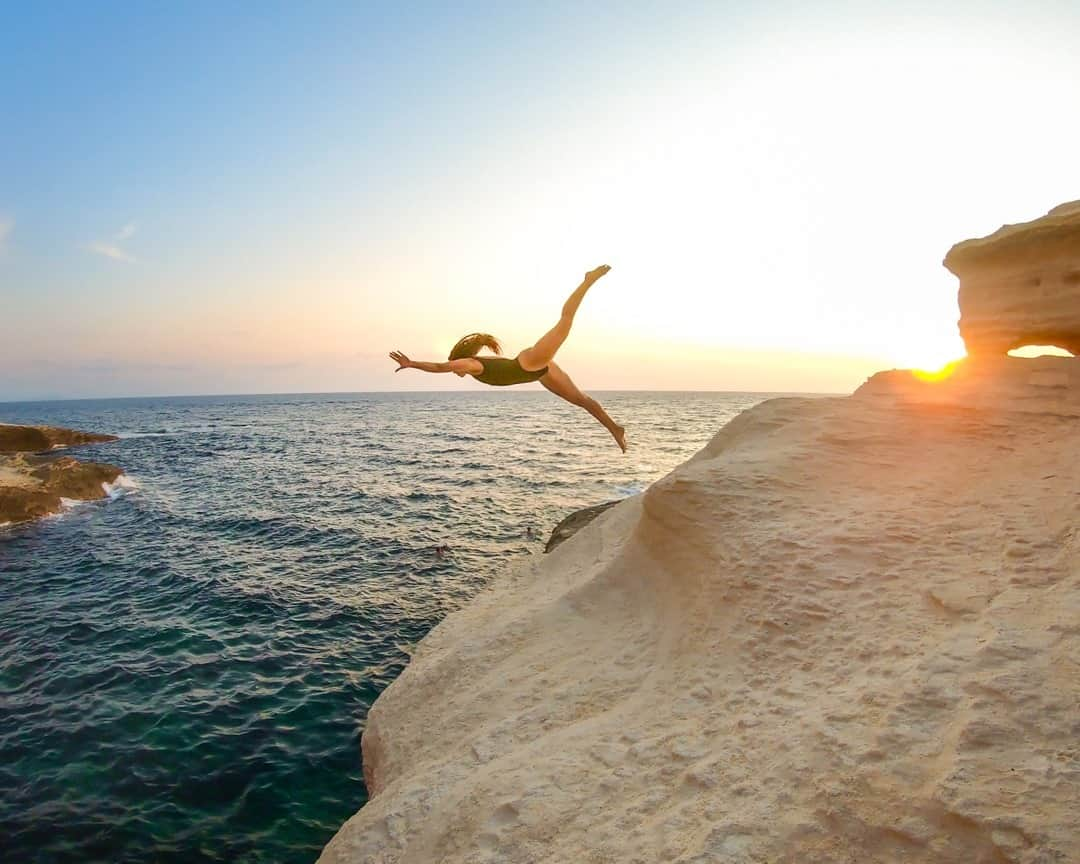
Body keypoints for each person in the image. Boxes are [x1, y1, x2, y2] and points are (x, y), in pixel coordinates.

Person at [389, 265, 626, 452]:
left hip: (529, 363)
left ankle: (587, 281)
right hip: (539, 371)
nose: (456, 372)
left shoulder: (471, 364)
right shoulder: (473, 367)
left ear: (460, 360)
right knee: (582, 400)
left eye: (456, 367)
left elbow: (440, 366)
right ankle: (615, 428)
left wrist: (412, 364)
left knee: (564, 322)